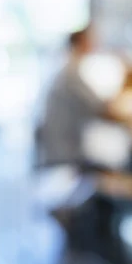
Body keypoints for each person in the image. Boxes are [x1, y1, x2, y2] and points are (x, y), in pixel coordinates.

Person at [39, 26, 113, 166]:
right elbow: (96, 105)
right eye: (90, 40)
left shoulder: (67, 66)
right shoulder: (70, 72)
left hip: (62, 141)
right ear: (81, 42)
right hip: (63, 149)